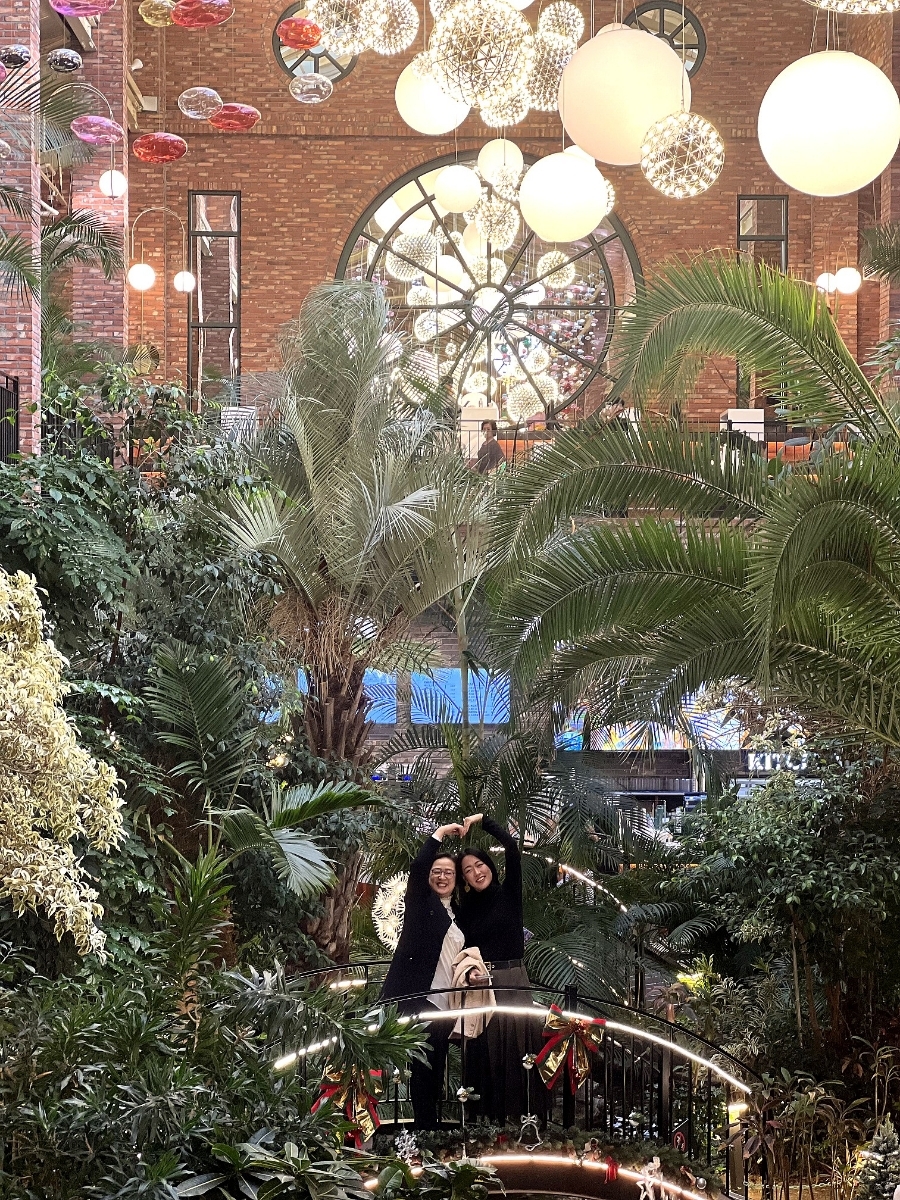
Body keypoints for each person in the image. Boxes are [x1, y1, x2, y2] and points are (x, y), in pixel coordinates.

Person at [457, 812, 546, 1125]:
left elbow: (511, 847)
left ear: (489, 866)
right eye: (468, 871)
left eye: (479, 864)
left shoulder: (509, 894)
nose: (476, 872)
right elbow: (464, 951)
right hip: (482, 984)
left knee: (518, 1047)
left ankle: (525, 1120)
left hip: (513, 978)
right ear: (464, 880)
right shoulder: (465, 910)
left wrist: (482, 820)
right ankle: (486, 1123)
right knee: (486, 1049)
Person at [380, 822, 465, 1129]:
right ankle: (423, 1129)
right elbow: (417, 868)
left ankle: (431, 1128)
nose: (442, 877)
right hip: (420, 997)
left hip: (446, 1001)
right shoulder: (421, 902)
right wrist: (440, 833)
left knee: (436, 1063)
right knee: (423, 1065)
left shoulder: (457, 913)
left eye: (449, 873)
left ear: (456, 879)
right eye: (436, 872)